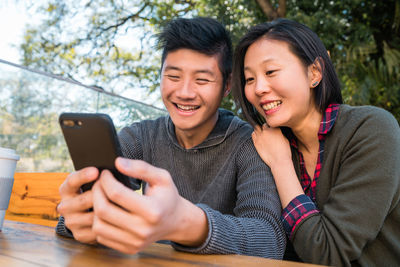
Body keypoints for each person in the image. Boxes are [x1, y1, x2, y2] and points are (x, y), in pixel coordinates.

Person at [56, 17, 286, 258]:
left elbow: (268, 238)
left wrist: (188, 223)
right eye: (174, 77)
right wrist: (76, 219)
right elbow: (73, 217)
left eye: (202, 80)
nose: (184, 93)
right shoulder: (141, 137)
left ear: (227, 84)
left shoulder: (249, 142)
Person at [231, 18, 400, 266]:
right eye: (249, 79)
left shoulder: (371, 130)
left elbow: (328, 252)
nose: (259, 88)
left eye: (270, 72)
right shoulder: (266, 144)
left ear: (315, 73)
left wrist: (281, 164)